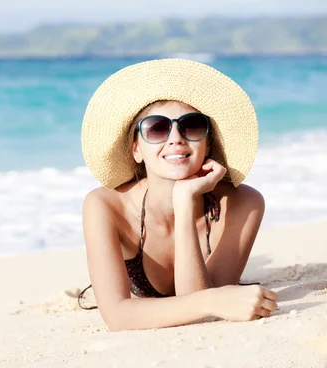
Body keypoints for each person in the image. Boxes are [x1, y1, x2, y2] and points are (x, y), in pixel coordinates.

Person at [78, 58, 278, 331]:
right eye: (157, 128)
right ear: (136, 149)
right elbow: (117, 316)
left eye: (192, 125)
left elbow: (199, 309)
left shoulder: (244, 203)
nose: (176, 138)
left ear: (207, 144)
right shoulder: (104, 205)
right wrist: (212, 301)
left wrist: (184, 202)